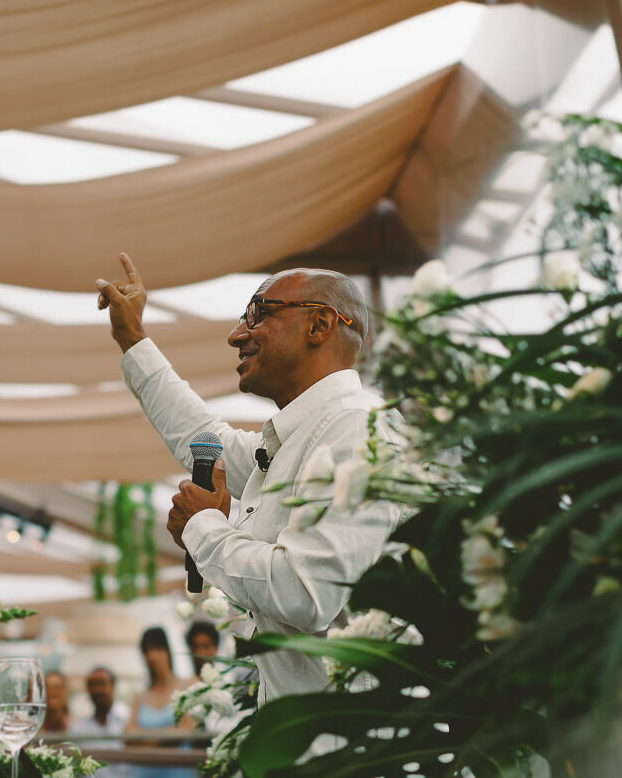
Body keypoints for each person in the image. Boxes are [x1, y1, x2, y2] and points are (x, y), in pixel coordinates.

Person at [96, 253, 405, 704]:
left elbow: (307, 592)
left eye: (259, 313)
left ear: (320, 324)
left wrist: (203, 529)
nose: (236, 335)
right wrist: (132, 337)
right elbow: (202, 438)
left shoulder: (355, 430)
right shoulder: (300, 440)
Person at [124, 627, 196, 778]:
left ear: (167, 650)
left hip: (178, 771)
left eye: (157, 648)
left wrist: (143, 738)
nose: (152, 656)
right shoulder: (139, 696)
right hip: (142, 773)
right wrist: (169, 733)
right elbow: (128, 738)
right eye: (146, 651)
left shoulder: (189, 686)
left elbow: (186, 730)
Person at [68, 666, 131, 741]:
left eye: (102, 684)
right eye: (92, 685)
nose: (97, 690)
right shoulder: (77, 729)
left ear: (113, 686)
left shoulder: (128, 721)